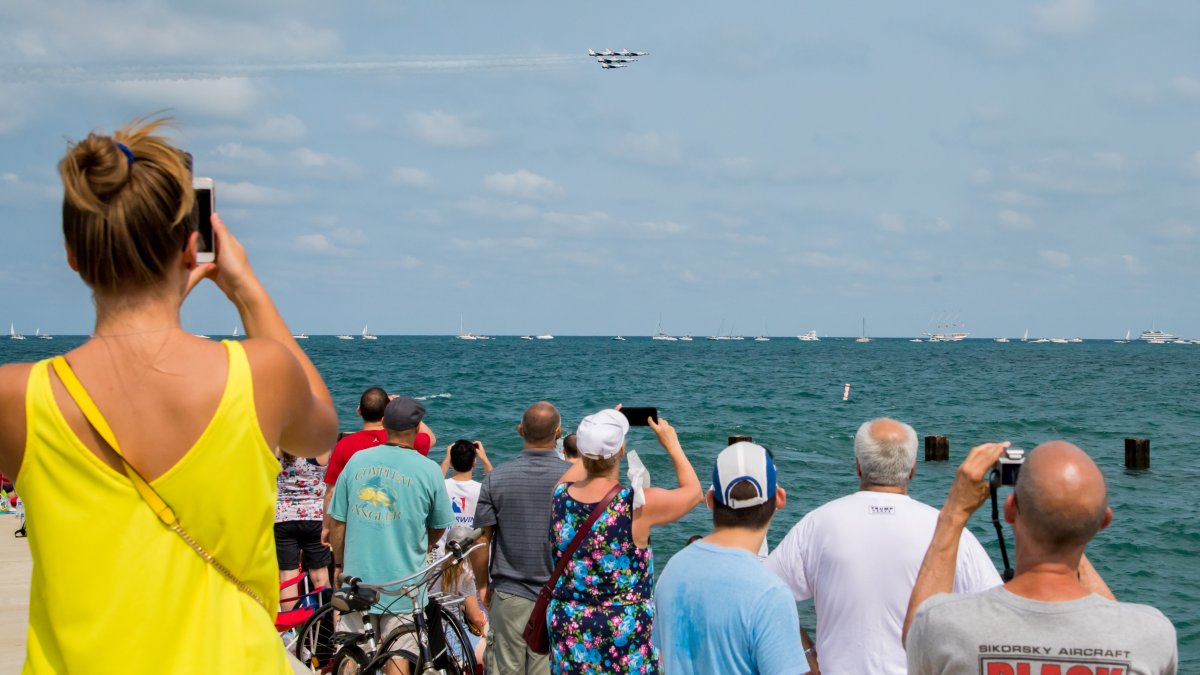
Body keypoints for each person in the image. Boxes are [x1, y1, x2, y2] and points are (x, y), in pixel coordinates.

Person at [0, 117, 337, 672]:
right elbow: (321, 429)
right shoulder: (259, 373)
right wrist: (245, 286)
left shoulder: (19, 397)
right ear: (193, 246)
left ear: (72, 254)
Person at [904, 441, 1178, 674]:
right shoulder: (1152, 635)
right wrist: (1070, 521)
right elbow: (1113, 625)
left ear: (1010, 510)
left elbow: (915, 633)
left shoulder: (943, 625)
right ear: (1103, 522)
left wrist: (953, 515)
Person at [765, 418, 1000, 674]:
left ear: (858, 467)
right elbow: (997, 617)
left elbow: (763, 597)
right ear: (912, 469)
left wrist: (808, 656)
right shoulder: (947, 529)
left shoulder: (818, 523)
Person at [547, 408, 702, 674]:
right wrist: (672, 444)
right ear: (621, 451)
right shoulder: (636, 504)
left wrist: (596, 436)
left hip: (570, 627)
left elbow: (584, 465)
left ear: (582, 452)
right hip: (624, 633)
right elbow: (694, 492)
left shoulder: (560, 495)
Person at [654, 442, 805, 674]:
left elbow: (661, 654)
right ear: (780, 498)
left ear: (710, 499)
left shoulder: (674, 569)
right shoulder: (770, 593)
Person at [328, 396, 453, 674]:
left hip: (358, 577)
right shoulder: (429, 470)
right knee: (398, 658)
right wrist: (425, 544)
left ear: (384, 423)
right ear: (418, 428)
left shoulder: (358, 460)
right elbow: (439, 525)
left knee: (350, 652)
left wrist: (339, 563)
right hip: (404, 581)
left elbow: (338, 522)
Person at [469, 401, 570, 675]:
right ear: (558, 432)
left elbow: (481, 541)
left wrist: (482, 585)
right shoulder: (574, 480)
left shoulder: (496, 478)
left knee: (504, 668)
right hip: (558, 595)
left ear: (520, 430)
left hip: (509, 593)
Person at [322, 387, 436, 545]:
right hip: (397, 525)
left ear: (359, 411)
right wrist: (401, 409)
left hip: (358, 526)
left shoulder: (344, 445)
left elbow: (331, 491)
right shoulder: (403, 442)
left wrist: (327, 526)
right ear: (387, 414)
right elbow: (430, 438)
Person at [275, 448, 332, 609]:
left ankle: (292, 628)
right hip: (315, 516)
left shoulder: (281, 447)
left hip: (283, 516)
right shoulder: (321, 447)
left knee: (288, 575)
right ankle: (323, 623)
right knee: (320, 574)